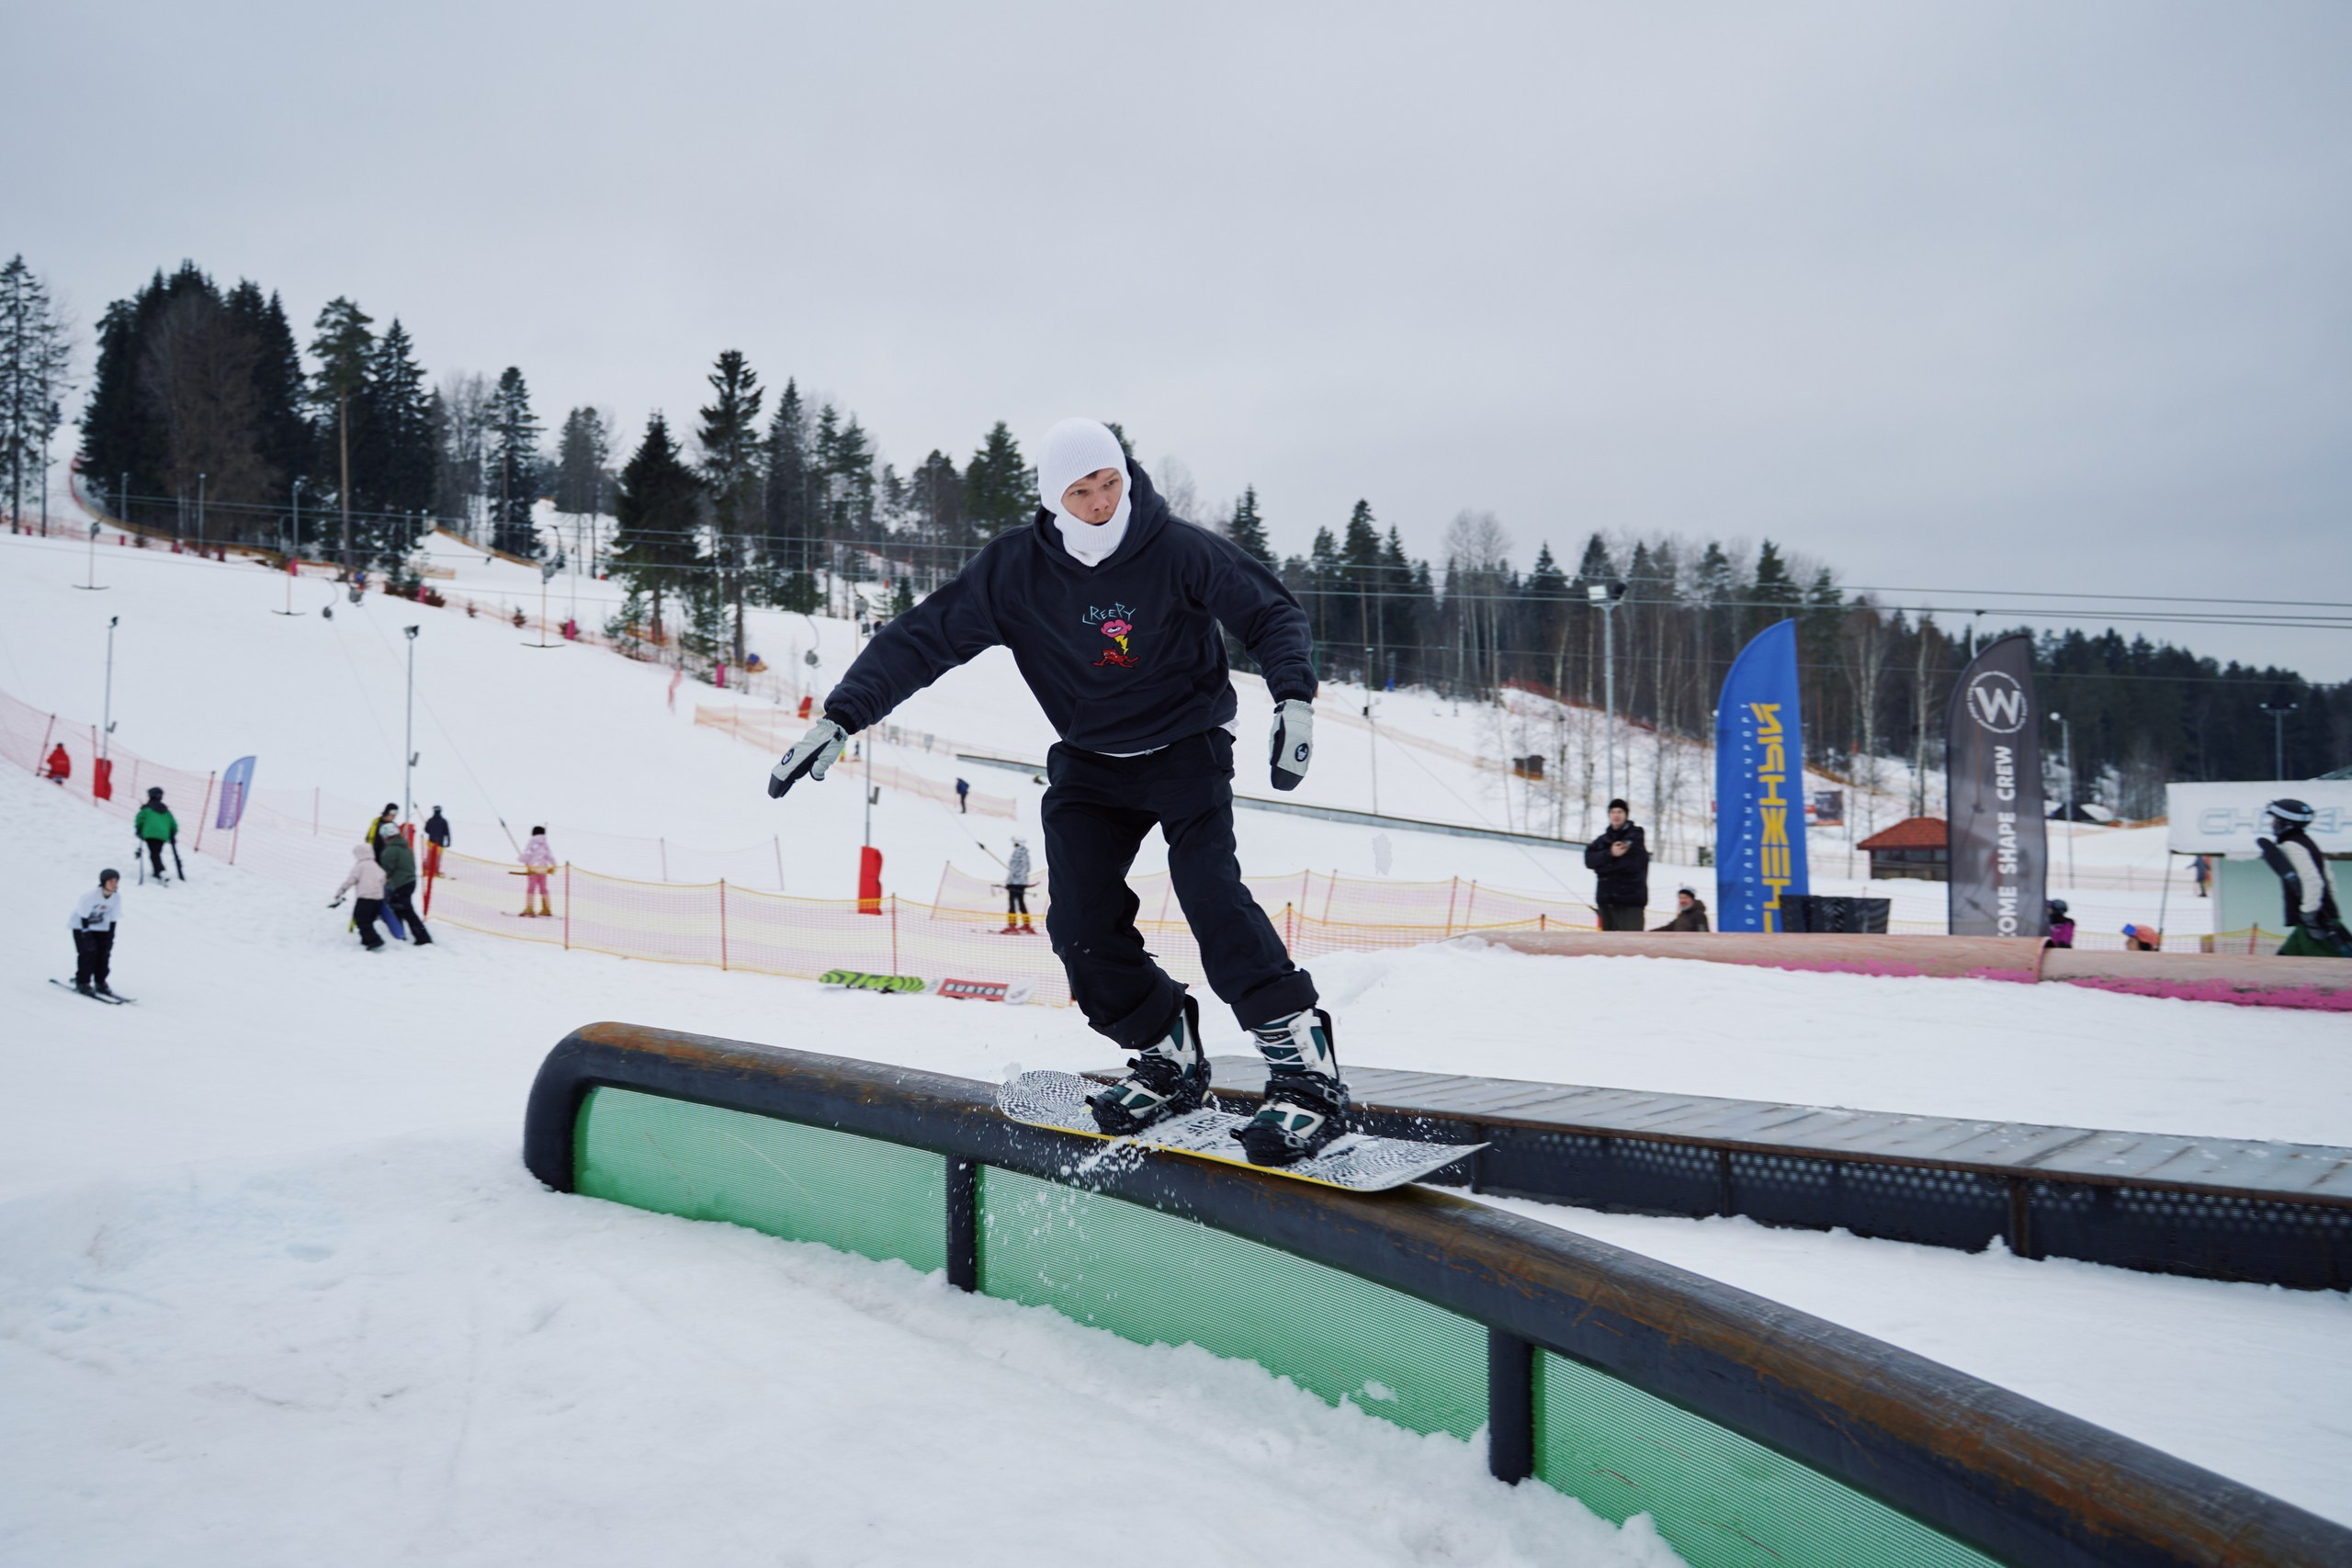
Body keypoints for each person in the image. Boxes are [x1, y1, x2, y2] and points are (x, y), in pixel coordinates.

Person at [764, 417, 1344, 1166]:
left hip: (1187, 748)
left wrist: (1293, 697)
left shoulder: (1177, 549)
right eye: (1081, 491)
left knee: (1210, 894)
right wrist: (843, 714)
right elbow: (922, 638)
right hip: (1091, 764)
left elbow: (1269, 611)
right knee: (1078, 924)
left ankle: (1305, 1071)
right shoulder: (1016, 572)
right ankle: (1167, 1049)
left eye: (1110, 483)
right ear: (1052, 499)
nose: (1101, 501)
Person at [2256, 797, 2352, 958]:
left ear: (2285, 823)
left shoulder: (2292, 845)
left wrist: (2309, 911)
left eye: (2275, 820)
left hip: (2316, 921)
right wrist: (2325, 904)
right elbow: (2328, 877)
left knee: (2329, 967)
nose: (2272, 824)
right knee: (2282, 963)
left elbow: (2312, 879)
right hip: (2314, 919)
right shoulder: (2307, 842)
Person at [1584, 798, 1650, 931]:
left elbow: (1632, 865)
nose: (1616, 815)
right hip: (1606, 902)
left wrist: (1601, 868)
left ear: (1626, 814)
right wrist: (1610, 853)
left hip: (1630, 904)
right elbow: (1589, 860)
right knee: (1608, 943)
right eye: (1613, 812)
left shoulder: (1635, 837)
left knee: (1630, 942)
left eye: (1620, 812)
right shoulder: (1603, 840)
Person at [376, 821, 432, 945]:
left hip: (400, 884)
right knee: (398, 908)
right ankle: (399, 933)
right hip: (410, 882)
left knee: (407, 911)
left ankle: (423, 937)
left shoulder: (391, 850)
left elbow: (386, 870)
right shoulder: (405, 847)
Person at [70, 869, 121, 996]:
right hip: (81, 926)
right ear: (104, 882)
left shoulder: (116, 897)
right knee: (88, 953)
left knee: (104, 954)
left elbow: (114, 917)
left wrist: (110, 936)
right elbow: (83, 915)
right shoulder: (91, 896)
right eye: (111, 881)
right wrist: (86, 934)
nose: (114, 884)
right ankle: (83, 982)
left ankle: (100, 981)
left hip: (100, 926)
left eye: (116, 881)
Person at [331, 842, 390, 951]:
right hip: (378, 898)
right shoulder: (376, 865)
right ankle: (366, 940)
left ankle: (375, 940)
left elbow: (350, 880)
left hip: (365, 898)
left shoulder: (360, 866)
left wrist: (341, 891)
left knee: (361, 920)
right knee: (369, 920)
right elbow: (383, 878)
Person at [133, 787, 177, 885]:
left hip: (150, 834)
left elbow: (139, 819)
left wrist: (138, 829)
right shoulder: (166, 811)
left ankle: (160, 872)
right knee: (156, 853)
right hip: (163, 835)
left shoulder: (146, 809)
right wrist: (172, 834)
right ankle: (158, 871)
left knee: (154, 854)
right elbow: (173, 824)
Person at [519, 827, 556, 918]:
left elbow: (527, 854)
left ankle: (529, 908)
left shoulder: (532, 842)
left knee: (531, 888)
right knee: (543, 888)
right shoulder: (544, 844)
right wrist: (554, 865)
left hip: (533, 869)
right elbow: (550, 856)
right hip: (543, 869)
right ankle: (546, 909)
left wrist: (521, 859)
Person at [1001, 836, 1035, 934]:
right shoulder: (1025, 854)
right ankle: (1026, 925)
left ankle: (1012, 926)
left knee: (1012, 905)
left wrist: (1010, 882)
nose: (1014, 845)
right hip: (1022, 883)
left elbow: (1014, 869)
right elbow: (1027, 868)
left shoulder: (1017, 853)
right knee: (1021, 904)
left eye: (1015, 843)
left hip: (1014, 884)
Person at [424, 806, 452, 880]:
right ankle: (435, 871)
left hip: (431, 842)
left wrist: (430, 828)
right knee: (437, 858)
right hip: (440, 843)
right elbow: (447, 832)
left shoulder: (430, 820)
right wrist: (449, 842)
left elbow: (426, 830)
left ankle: (428, 870)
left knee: (430, 857)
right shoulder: (444, 821)